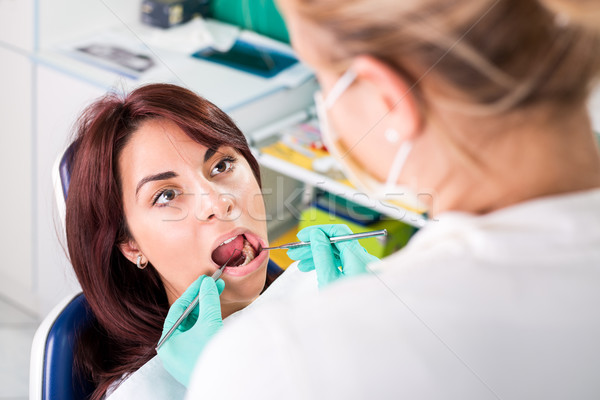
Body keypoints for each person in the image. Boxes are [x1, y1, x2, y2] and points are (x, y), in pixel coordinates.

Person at [186, 0, 600, 398]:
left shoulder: (283, 360)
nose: (217, 203)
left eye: (322, 79)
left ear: (388, 96)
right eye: (167, 194)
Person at [65, 83, 334, 399]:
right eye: (166, 195)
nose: (218, 203)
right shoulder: (143, 392)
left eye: (221, 165)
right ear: (131, 245)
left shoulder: (328, 293)